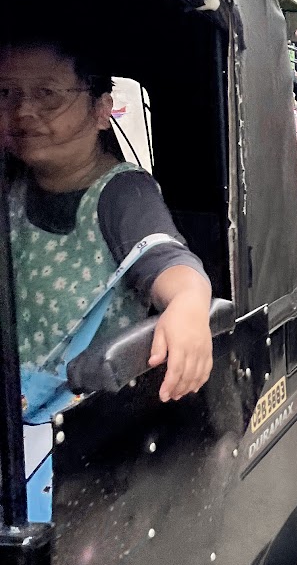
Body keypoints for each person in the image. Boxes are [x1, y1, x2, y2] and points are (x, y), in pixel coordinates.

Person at [0, 35, 214, 405]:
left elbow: (170, 262)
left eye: (47, 94)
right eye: (6, 93)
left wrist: (188, 304)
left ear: (101, 111)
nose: (22, 111)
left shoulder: (122, 194)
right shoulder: (13, 186)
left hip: (81, 419)